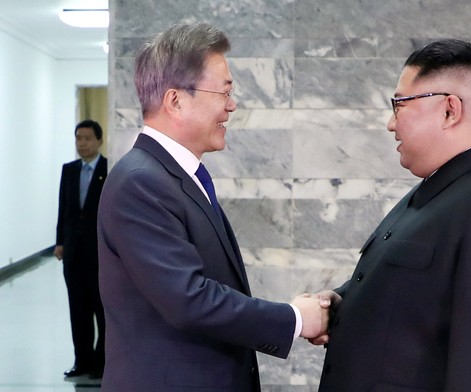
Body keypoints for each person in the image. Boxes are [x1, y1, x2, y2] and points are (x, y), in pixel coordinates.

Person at [310, 39, 471, 391]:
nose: (390, 124)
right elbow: (415, 295)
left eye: (399, 106)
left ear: (449, 110)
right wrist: (342, 304)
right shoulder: (443, 188)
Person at [97, 23, 328, 392]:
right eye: (224, 91)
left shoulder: (175, 175)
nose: (232, 105)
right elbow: (190, 299)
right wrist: (295, 319)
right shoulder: (140, 182)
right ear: (176, 101)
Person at [54, 119, 107, 379]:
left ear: (99, 140)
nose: (82, 143)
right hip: (73, 254)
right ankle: (81, 361)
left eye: (87, 138)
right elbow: (64, 208)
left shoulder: (109, 168)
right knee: (78, 311)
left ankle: (101, 362)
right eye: (78, 138)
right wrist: (60, 242)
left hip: (99, 255)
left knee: (102, 310)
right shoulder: (69, 170)